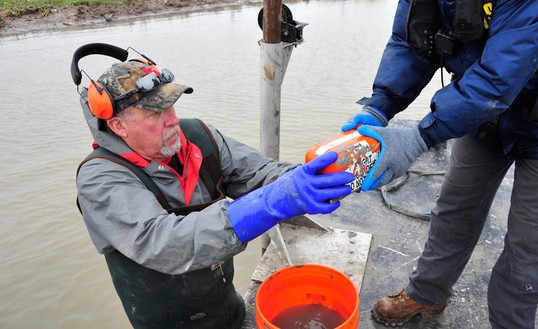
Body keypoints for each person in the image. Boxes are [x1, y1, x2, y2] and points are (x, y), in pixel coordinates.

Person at [341, 0, 538, 327]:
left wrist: (419, 138)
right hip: (485, 112)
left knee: (530, 243)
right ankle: (426, 295)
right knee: (454, 208)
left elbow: (499, 77)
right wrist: (380, 105)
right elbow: (411, 41)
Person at [75, 49, 354, 329]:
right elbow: (164, 243)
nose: (172, 120)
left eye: (170, 105)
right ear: (118, 125)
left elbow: (260, 173)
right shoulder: (100, 179)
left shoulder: (199, 137)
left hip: (227, 311)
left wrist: (319, 175)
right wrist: (269, 203)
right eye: (155, 113)